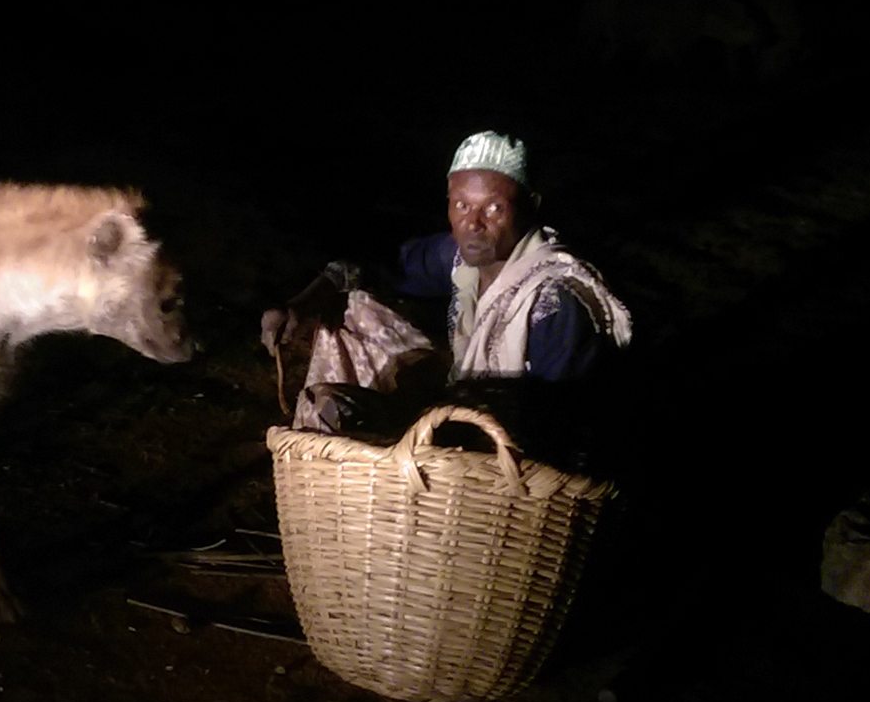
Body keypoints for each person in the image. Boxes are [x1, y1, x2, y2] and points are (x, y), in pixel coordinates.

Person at [261, 130, 633, 466]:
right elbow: (367, 267)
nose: (473, 223)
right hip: (460, 429)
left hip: (511, 467)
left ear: (531, 205)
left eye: (494, 208)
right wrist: (300, 305)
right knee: (344, 348)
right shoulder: (462, 259)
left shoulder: (556, 301)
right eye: (461, 205)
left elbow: (561, 429)